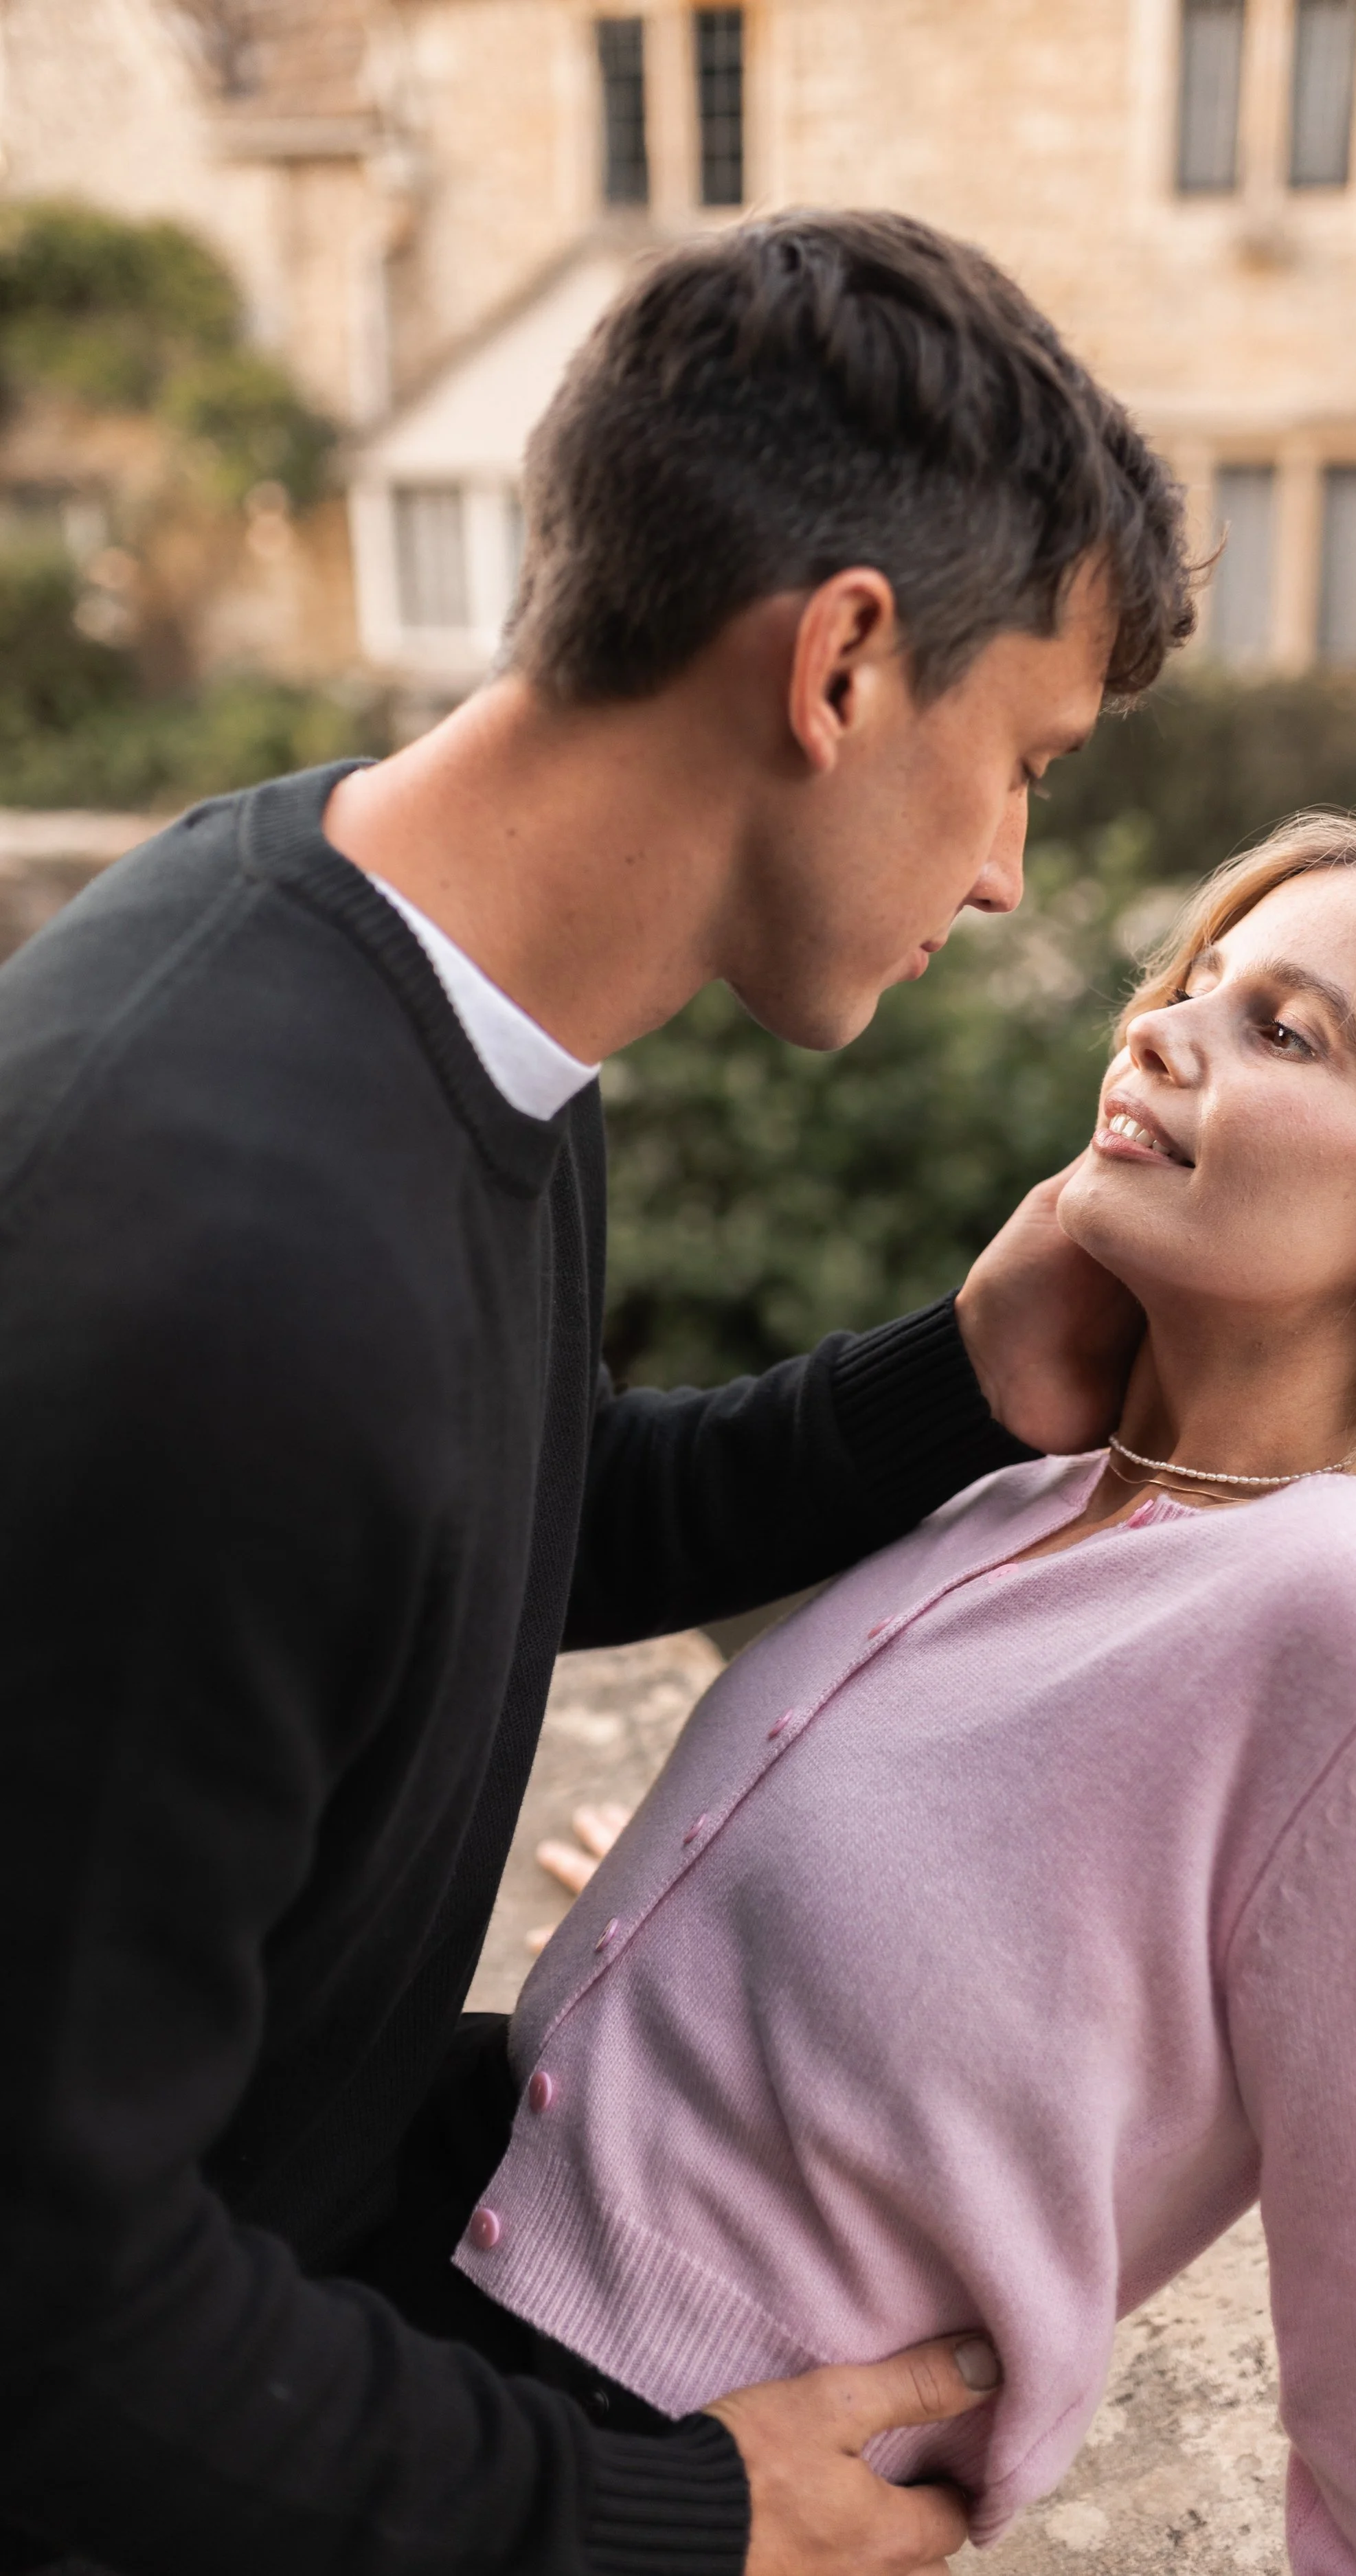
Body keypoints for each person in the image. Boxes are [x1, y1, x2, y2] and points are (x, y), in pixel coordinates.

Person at [0, 211, 1195, 2576]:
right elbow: (49, 2317)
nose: (1000, 877)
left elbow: (485, 1525)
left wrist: (956, 1386)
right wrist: (672, 2517)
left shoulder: (374, 965)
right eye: (1024, 765)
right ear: (845, 663)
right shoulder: (224, 1273)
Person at [459, 818, 1356, 2576]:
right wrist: (721, 1931)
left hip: (646, 2461)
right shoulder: (1033, 1489)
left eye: (1282, 1032)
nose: (1160, 1027)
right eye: (1191, 983)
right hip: (460, 2302)